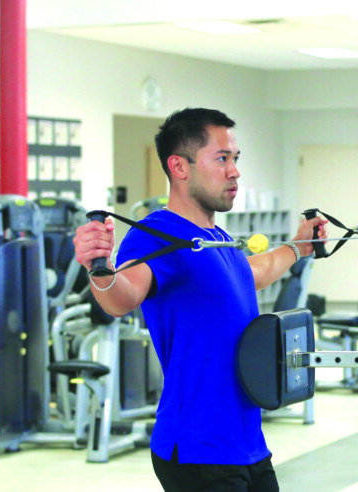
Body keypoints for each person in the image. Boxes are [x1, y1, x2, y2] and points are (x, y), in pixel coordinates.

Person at [73, 107, 326, 492]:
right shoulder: (157, 235)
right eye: (222, 158)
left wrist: (298, 246)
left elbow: (253, 272)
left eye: (236, 159)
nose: (235, 171)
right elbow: (122, 298)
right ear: (179, 166)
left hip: (246, 444)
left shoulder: (215, 237)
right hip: (198, 449)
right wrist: (98, 266)